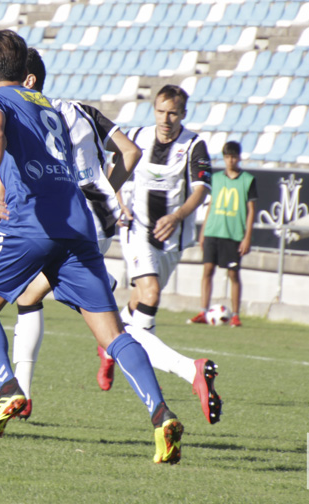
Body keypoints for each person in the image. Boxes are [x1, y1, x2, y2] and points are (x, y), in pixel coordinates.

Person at [0, 29, 183, 463]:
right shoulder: (47, 105)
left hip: (34, 221)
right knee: (112, 333)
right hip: (79, 220)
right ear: (27, 73)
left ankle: (8, 389)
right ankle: (161, 415)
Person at [0, 47, 140, 420]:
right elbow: (129, 152)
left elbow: (20, 164)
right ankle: (19, 393)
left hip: (57, 216)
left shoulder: (29, 109)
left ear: (26, 80)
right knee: (30, 297)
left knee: (105, 326)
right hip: (90, 215)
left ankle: (15, 392)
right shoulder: (77, 110)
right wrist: (108, 193)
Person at [94, 85, 219, 424]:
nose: (166, 119)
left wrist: (177, 216)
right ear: (154, 109)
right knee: (149, 293)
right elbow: (111, 170)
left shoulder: (194, 145)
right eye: (161, 111)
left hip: (172, 238)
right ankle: (170, 371)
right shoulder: (136, 135)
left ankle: (111, 346)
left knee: (140, 309)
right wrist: (119, 203)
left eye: (173, 113)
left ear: (183, 114)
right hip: (136, 230)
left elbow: (202, 189)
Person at [190, 140, 256, 327]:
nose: (230, 160)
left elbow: (251, 209)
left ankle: (235, 315)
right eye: (227, 157)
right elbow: (211, 204)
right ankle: (203, 312)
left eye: (233, 157)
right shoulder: (216, 178)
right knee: (207, 270)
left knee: (233, 275)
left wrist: (247, 236)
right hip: (213, 231)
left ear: (239, 157)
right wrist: (203, 231)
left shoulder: (248, 180)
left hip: (233, 234)